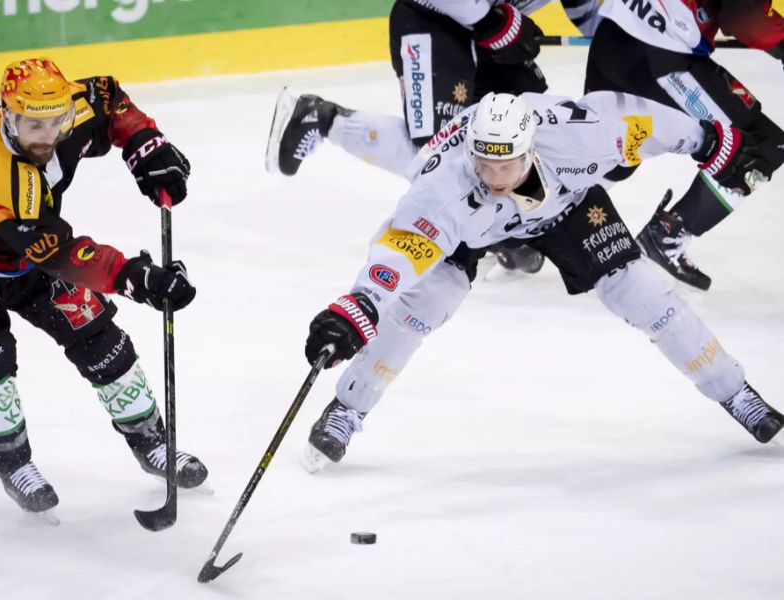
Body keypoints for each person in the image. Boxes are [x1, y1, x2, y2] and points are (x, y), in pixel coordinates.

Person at [298, 90, 782, 473]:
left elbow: (642, 120)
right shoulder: (444, 186)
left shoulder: (582, 134)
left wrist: (707, 139)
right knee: (423, 305)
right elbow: (399, 249)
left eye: (504, 163)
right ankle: (349, 407)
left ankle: (735, 392)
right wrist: (359, 304)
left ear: (529, 147)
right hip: (475, 228)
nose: (492, 174)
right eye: (483, 162)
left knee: (645, 294)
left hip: (566, 208)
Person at [0, 57, 207, 514]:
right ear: (7, 114)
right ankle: (14, 466)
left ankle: (151, 443)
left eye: (55, 123)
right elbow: (60, 255)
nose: (45, 137)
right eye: (30, 125)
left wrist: (145, 146)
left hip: (27, 249)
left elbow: (110, 98)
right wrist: (134, 277)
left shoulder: (71, 108)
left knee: (96, 332)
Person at [266, 0, 602, 274]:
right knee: (438, 150)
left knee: (519, 132)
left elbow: (585, 9)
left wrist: (617, 44)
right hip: (434, 19)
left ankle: (498, 231)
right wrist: (490, 22)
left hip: (491, 33)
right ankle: (321, 119)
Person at [586, 0, 784, 290]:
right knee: (763, 144)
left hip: (614, 36)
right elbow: (743, 15)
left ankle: (533, 225)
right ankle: (668, 232)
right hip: (661, 54)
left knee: (613, 152)